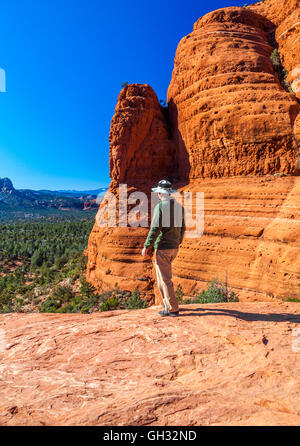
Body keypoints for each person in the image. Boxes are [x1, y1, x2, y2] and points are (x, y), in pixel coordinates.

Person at [141, 179, 185, 317]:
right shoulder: (179, 207)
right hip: (174, 247)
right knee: (162, 278)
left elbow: (155, 228)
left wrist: (147, 245)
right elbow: (183, 228)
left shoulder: (160, 207)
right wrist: (178, 242)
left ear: (160, 193)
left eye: (158, 192)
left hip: (164, 247)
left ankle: (172, 309)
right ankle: (167, 306)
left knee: (164, 279)